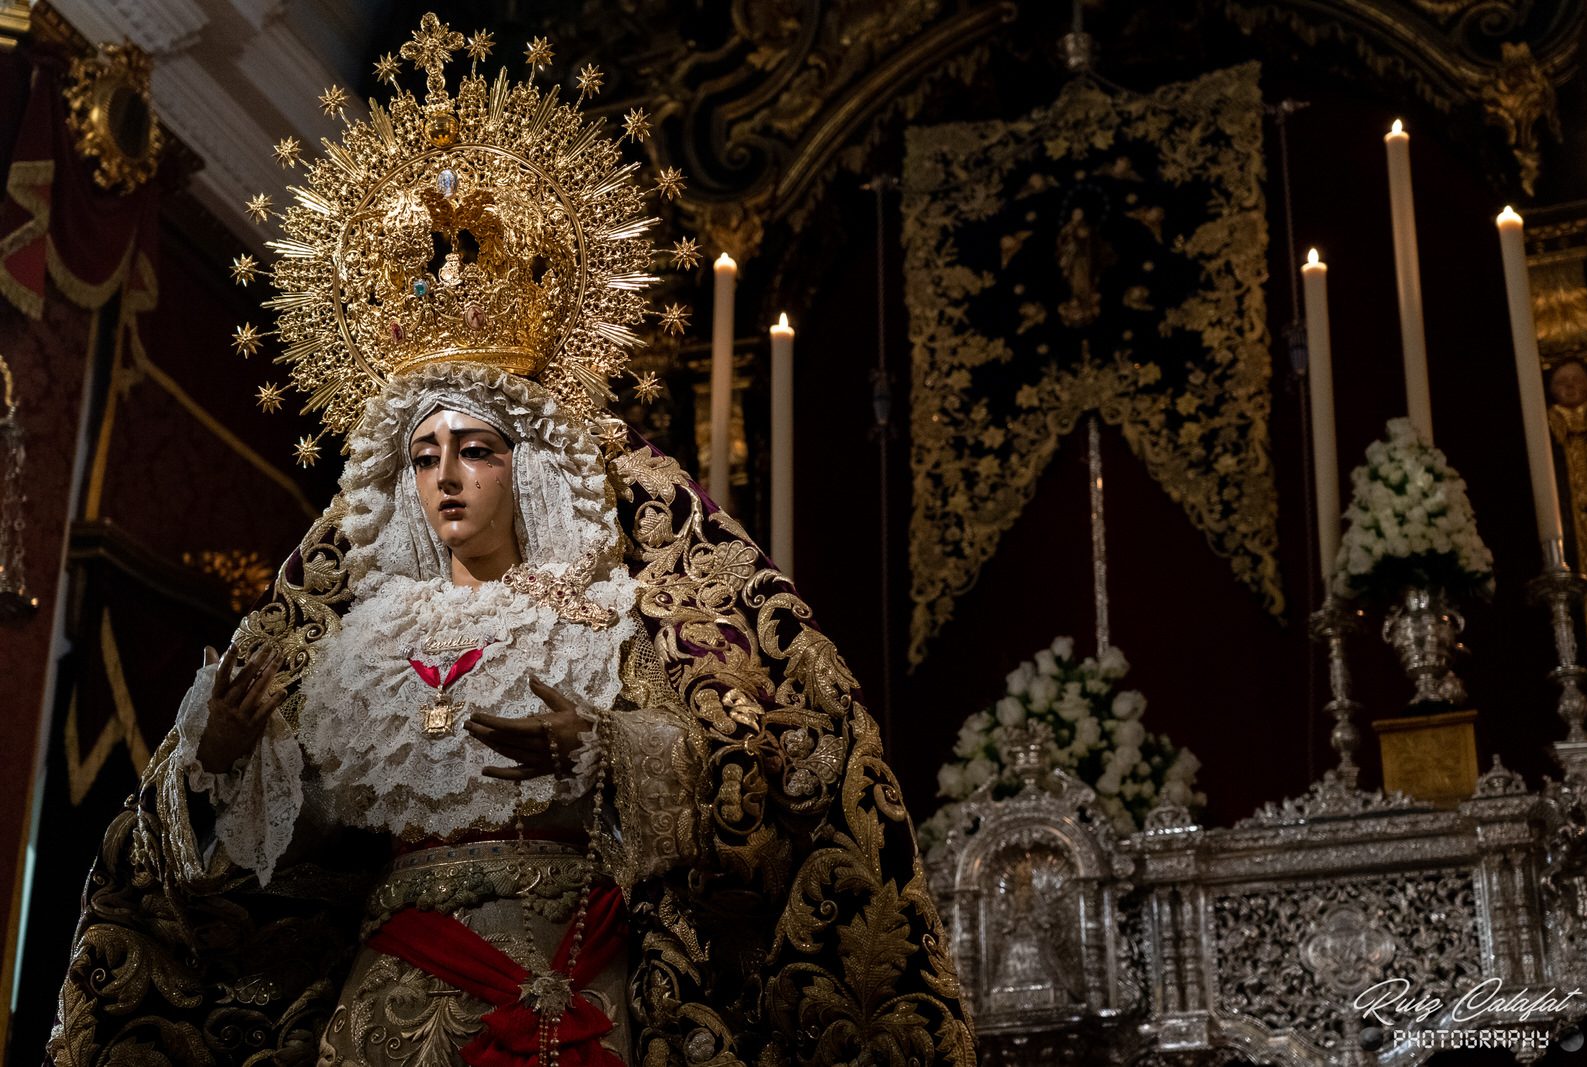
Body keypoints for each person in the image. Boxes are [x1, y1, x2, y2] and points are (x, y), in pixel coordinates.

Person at [47, 14, 974, 1067]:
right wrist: (216, 766)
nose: (446, 472)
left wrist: (608, 750)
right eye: (425, 451)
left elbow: (764, 782)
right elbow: (259, 886)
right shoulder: (354, 639)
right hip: (385, 1007)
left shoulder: (610, 611)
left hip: (571, 989)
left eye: (475, 448)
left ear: (523, 466)